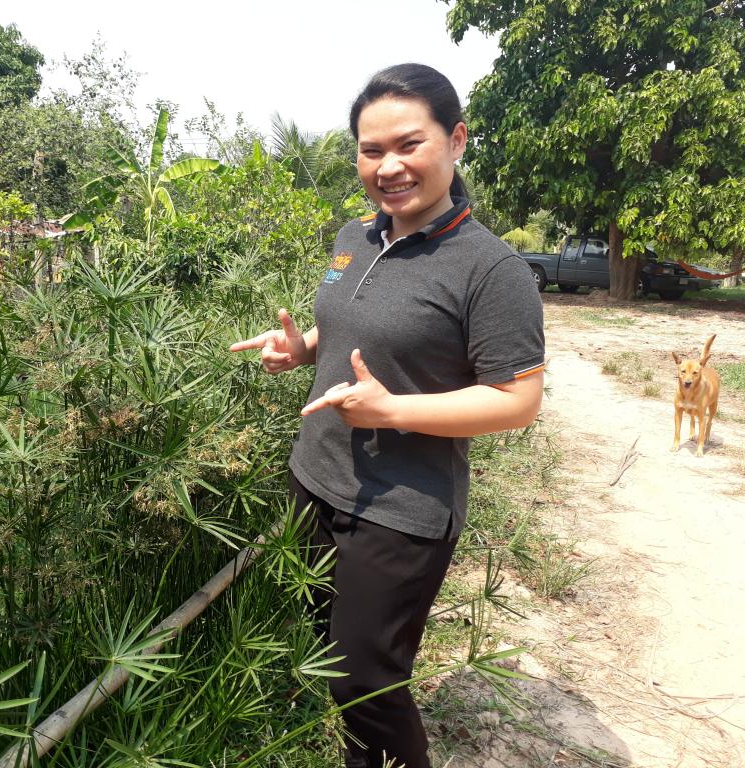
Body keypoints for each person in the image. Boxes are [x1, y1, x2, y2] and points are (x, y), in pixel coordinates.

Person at [230, 63, 545, 767]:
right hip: (315, 477)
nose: (389, 167)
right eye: (372, 151)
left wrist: (392, 409)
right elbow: (353, 326)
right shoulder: (355, 235)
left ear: (456, 140)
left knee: (366, 682)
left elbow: (517, 400)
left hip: (403, 508)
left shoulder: (491, 270)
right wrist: (305, 348)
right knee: (328, 656)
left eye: (409, 144)